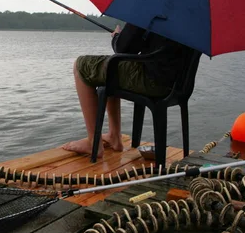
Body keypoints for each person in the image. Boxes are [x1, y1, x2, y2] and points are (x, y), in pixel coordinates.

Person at [62, 22, 187, 159]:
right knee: (112, 67)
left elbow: (124, 48)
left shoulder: (152, 5)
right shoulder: (191, 14)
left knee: (81, 65)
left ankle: (93, 143)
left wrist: (117, 37)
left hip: (151, 80)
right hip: (176, 84)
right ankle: (114, 136)